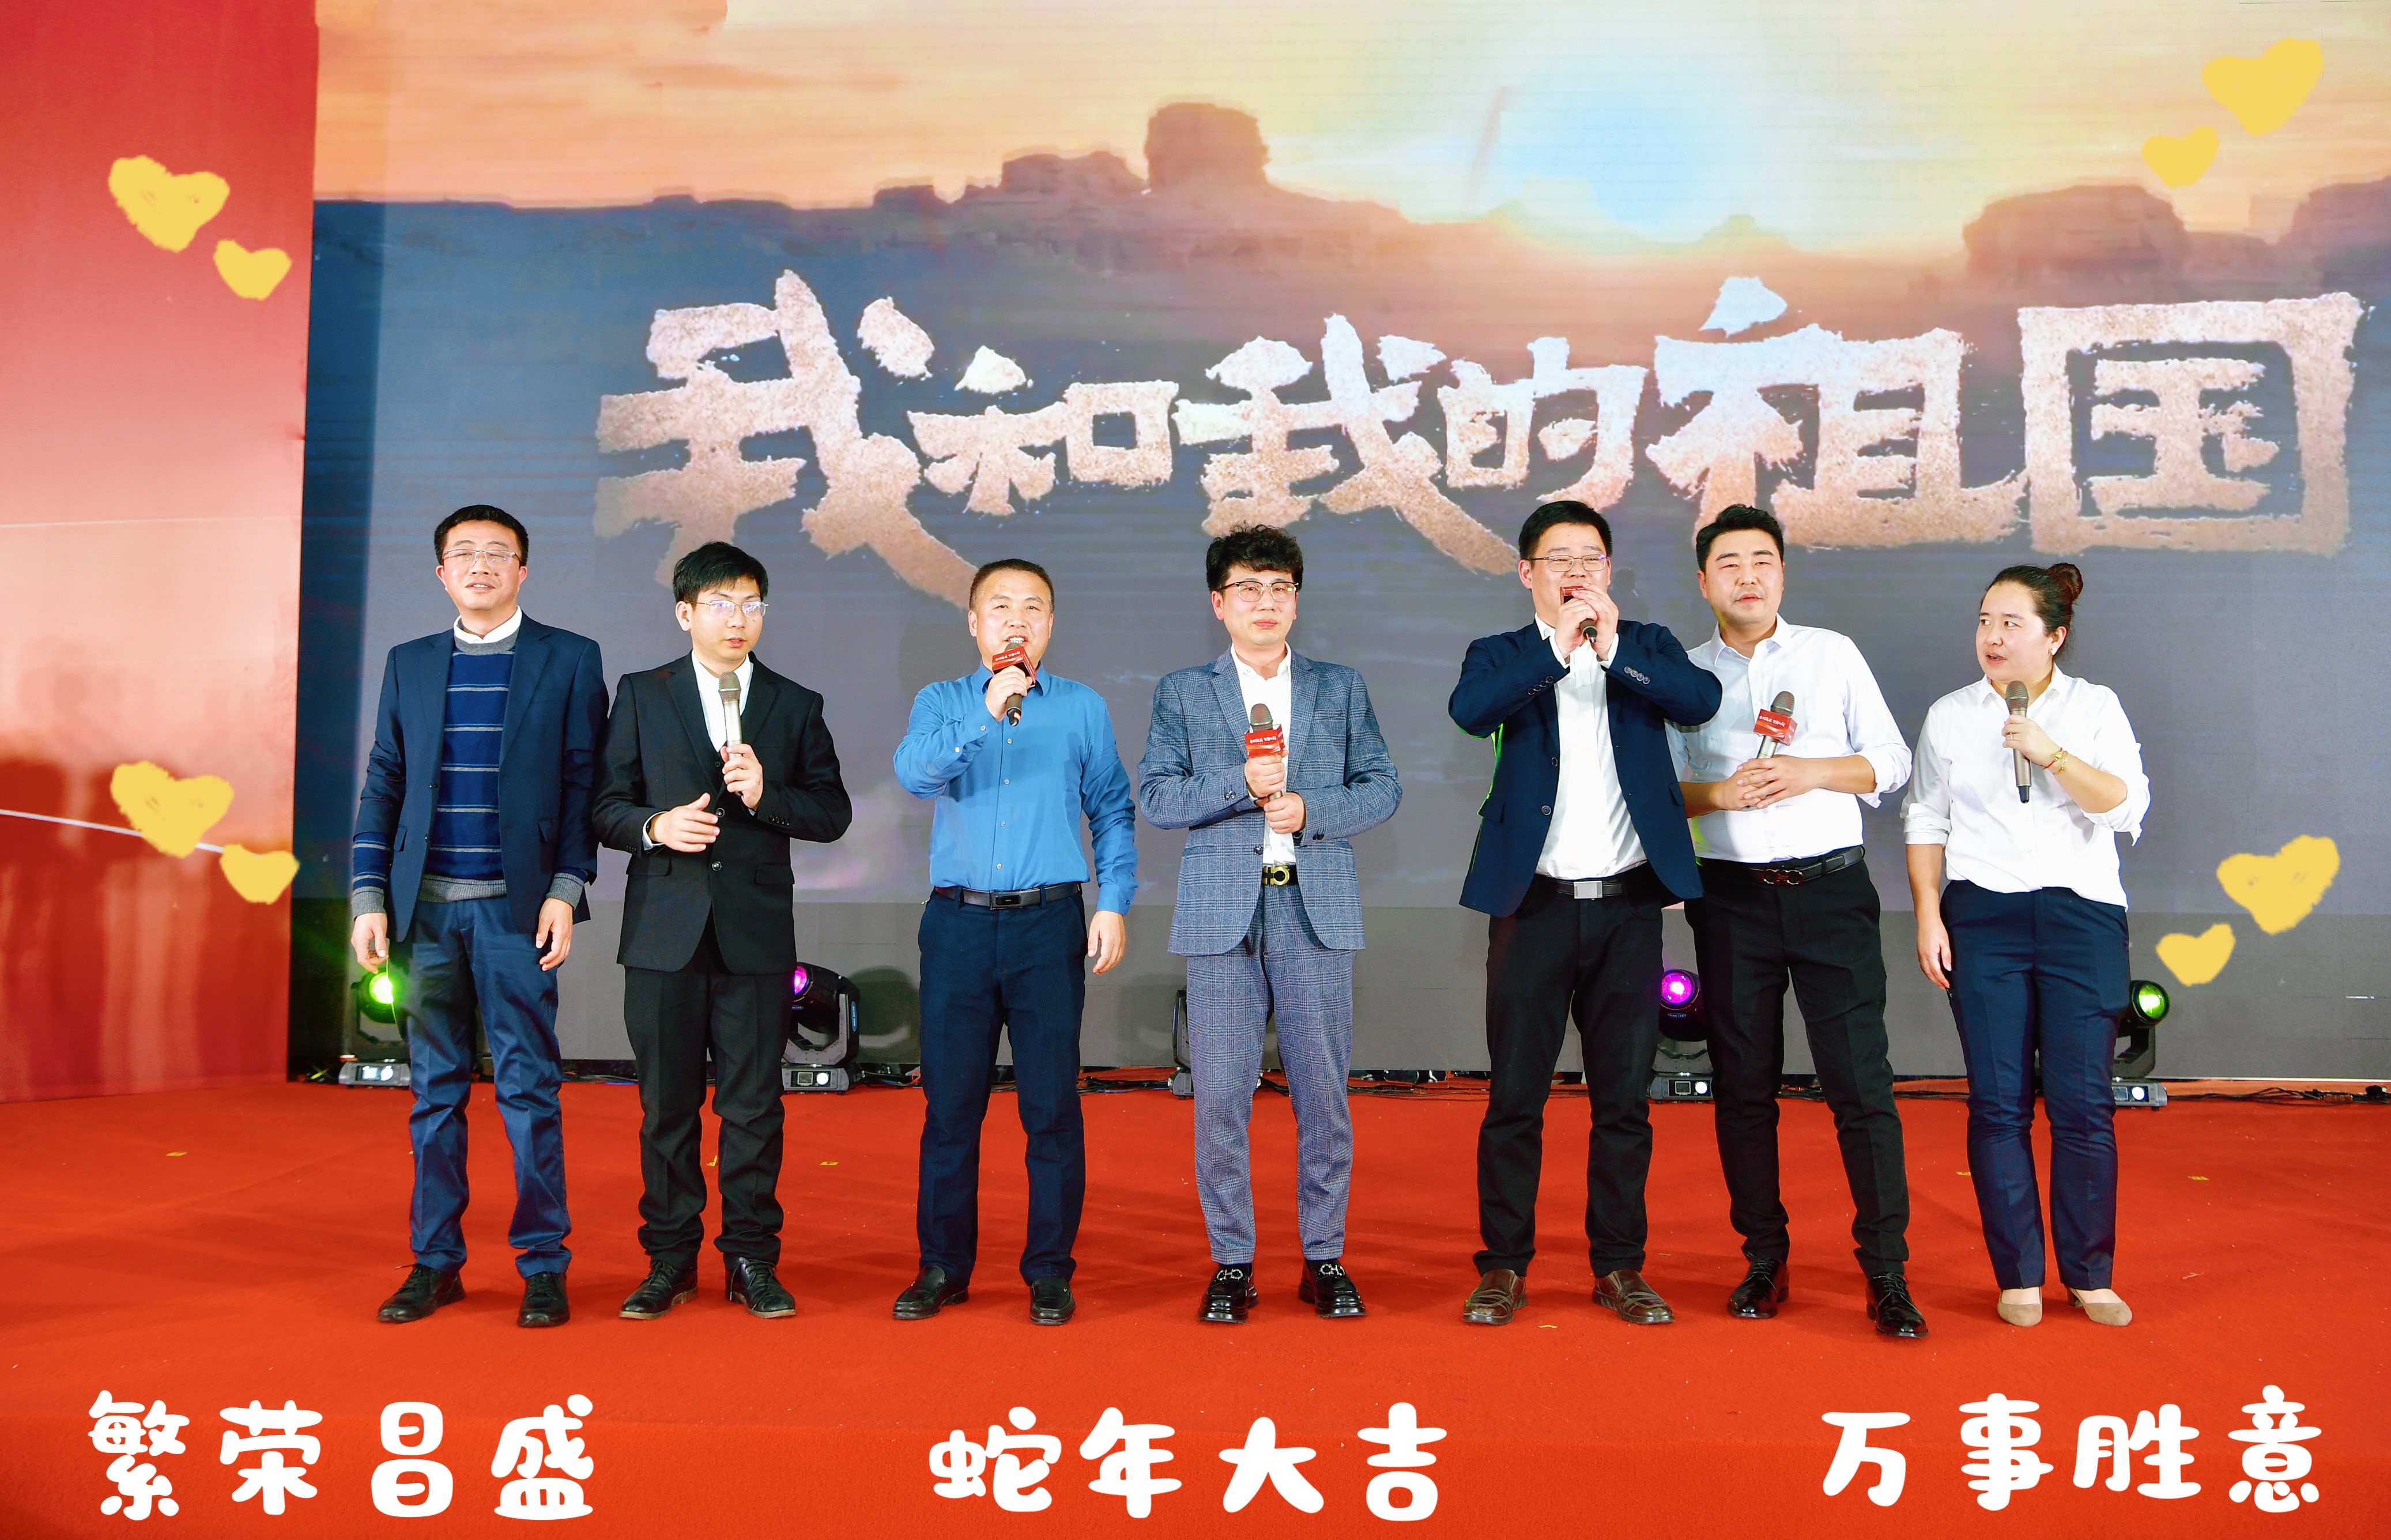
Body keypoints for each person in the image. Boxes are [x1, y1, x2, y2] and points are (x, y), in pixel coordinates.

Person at [1449, 499, 1722, 1327]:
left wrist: (1608, 649)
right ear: (1526, 572)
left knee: (1624, 1101)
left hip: (1629, 907)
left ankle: (1619, 1266)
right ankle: (1503, 1266)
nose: (1577, 571)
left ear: (1608, 570)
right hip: (1532, 905)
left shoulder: (1646, 644)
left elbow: (1698, 699)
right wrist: (1557, 651)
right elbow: (1472, 711)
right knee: (1515, 1097)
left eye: (1592, 557)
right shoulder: (1501, 654)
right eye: (1559, 558)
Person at [1669, 504, 1925, 1338]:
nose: (1748, 577)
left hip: (1830, 895)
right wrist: (1720, 793)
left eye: (1762, 562)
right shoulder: (1682, 675)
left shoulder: (1831, 654)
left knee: (1860, 1085)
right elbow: (1663, 793)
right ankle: (1763, 1258)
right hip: (1731, 901)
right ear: (1703, 581)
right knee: (1744, 1087)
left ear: (1782, 574)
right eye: (1730, 564)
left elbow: (1892, 762)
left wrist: (1812, 771)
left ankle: (1886, 1271)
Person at [351, 504, 609, 1328]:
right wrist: (367, 896)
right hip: (424, 916)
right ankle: (436, 1263)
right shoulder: (410, 662)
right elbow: (384, 782)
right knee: (433, 1095)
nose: (481, 564)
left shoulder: (570, 658)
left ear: (523, 570)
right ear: (441, 573)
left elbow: (585, 785)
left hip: (515, 913)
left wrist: (566, 888)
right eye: (463, 553)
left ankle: (543, 1264)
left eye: (499, 553)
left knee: (529, 1090)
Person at [1138, 526, 1402, 1324]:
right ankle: (1233, 1262)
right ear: (1218, 603)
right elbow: (1157, 797)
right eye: (1249, 589)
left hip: (1313, 906)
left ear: (1297, 600)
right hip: (1222, 913)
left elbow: (1383, 788)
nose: (1267, 602)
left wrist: (1311, 810)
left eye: (1281, 588)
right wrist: (1239, 783)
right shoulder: (1184, 691)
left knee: (1323, 1094)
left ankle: (1324, 1257)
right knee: (1221, 1096)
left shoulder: (1339, 687)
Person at [593, 541, 852, 1321]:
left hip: (755, 937)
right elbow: (604, 806)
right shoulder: (643, 693)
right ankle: (669, 1260)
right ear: (685, 613)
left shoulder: (794, 703)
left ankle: (751, 1259)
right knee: (667, 1109)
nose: (738, 619)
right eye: (720, 604)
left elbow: (832, 813)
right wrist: (655, 827)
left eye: (751, 605)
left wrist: (769, 796)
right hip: (663, 933)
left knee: (753, 1108)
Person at [889, 558, 1137, 1327]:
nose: (1017, 621)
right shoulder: (942, 701)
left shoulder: (1083, 707)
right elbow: (915, 775)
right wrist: (987, 710)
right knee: (950, 1108)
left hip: (1047, 925)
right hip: (958, 926)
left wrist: (1114, 902)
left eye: (1033, 608)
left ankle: (1050, 1272)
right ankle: (942, 1267)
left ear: (1051, 625)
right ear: (974, 623)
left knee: (1051, 1108)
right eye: (1000, 607)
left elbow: (1113, 809)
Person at [1903, 563, 2148, 1328]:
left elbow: (2125, 806)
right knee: (1998, 1103)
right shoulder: (1951, 715)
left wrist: (2051, 754)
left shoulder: (2094, 707)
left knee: (2083, 1106)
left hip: (2082, 918)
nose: (1993, 636)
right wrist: (1928, 916)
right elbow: (1925, 818)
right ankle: (2017, 1275)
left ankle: (2090, 1275)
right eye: (1985, 620)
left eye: (2012, 623)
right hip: (1983, 916)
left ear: (2055, 637)